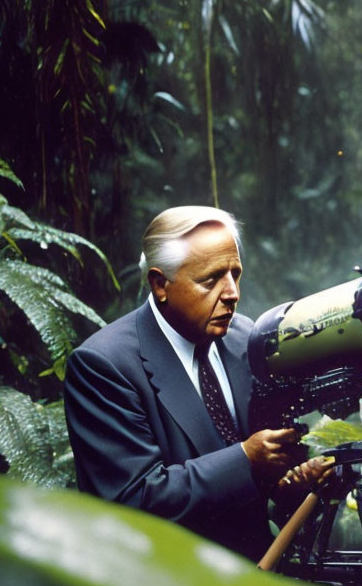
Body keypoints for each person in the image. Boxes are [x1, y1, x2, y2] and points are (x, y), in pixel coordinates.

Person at [64, 205, 332, 561]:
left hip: (259, 576)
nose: (232, 292)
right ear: (160, 284)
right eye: (212, 279)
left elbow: (261, 478)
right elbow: (132, 499)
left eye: (236, 274)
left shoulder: (244, 339)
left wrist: (289, 483)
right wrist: (246, 459)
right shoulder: (104, 365)